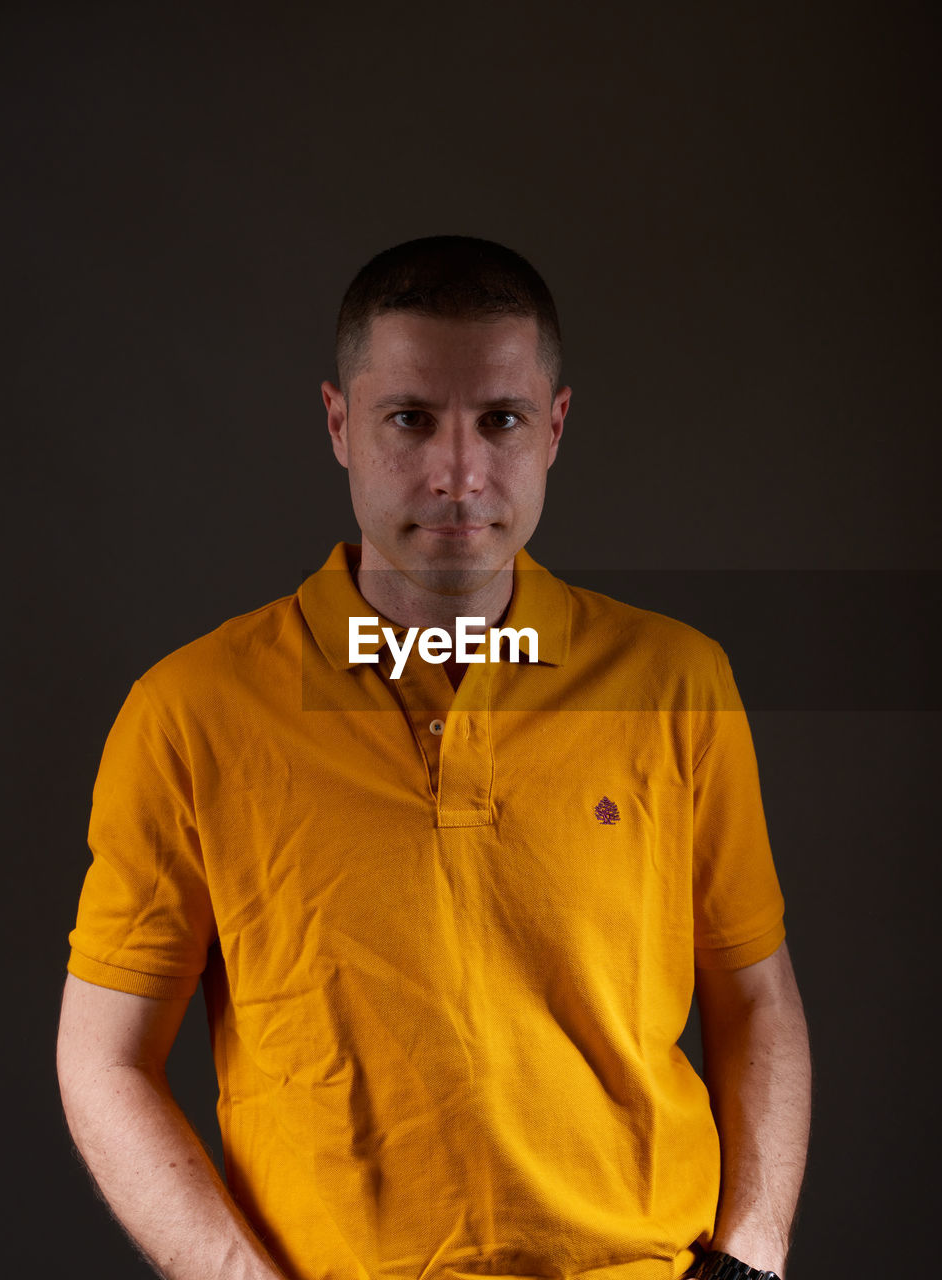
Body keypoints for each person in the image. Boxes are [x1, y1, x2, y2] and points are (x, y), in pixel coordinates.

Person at [57, 236, 811, 1280]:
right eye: (409, 418)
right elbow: (102, 1056)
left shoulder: (676, 677)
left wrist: (753, 1258)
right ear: (339, 425)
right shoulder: (189, 710)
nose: (458, 473)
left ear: (552, 429)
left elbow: (756, 995)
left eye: (499, 420)